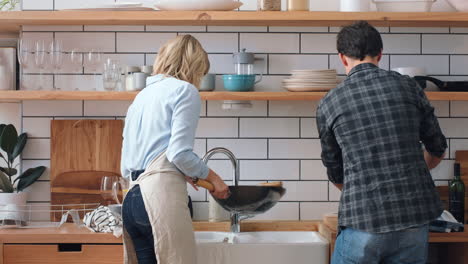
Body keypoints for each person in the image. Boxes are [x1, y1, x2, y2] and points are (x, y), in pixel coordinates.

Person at [317, 21, 447, 264]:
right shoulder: (409, 86)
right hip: (413, 217)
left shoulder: (329, 102)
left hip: (363, 221)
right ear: (380, 55)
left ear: (342, 58)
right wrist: (413, 171)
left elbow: (335, 172)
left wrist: (367, 191)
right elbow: (437, 147)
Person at [121, 35, 230, 264]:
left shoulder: (140, 98)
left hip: (131, 200)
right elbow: (178, 153)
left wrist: (181, 171)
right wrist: (214, 178)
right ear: (194, 66)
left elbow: (125, 166)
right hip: (159, 199)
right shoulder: (184, 90)